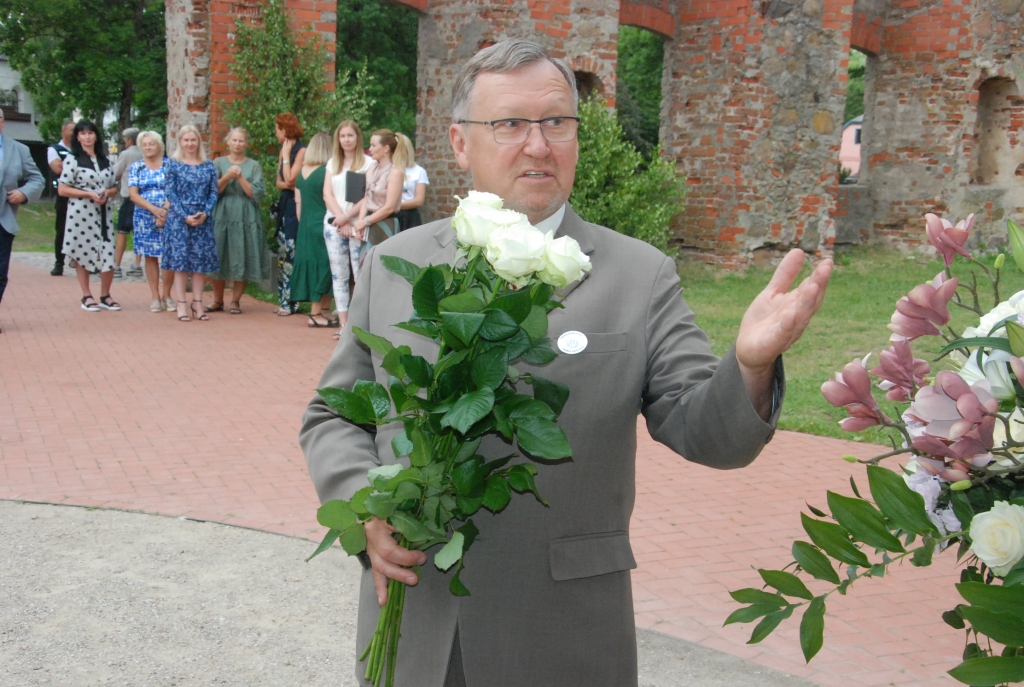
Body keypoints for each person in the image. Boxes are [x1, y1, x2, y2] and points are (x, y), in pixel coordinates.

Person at [300, 40, 832, 687]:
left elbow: (707, 430)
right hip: (418, 628)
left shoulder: (639, 277)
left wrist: (749, 364)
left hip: (564, 638)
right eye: (510, 124)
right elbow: (332, 415)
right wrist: (364, 508)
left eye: (557, 122)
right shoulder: (394, 266)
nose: (538, 144)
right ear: (460, 143)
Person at [57, 120, 122, 313]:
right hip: (81, 212)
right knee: (82, 251)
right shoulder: (73, 159)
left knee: (107, 251)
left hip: (103, 212)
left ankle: (105, 294)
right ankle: (86, 295)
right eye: (83, 134)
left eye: (90, 133)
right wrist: (88, 194)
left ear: (96, 135)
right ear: (77, 137)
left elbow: (113, 187)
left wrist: (107, 193)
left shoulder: (105, 160)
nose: (87, 137)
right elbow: (63, 188)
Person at [208, 127, 267, 315]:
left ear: (246, 143)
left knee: (243, 253)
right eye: (234, 140)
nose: (238, 144)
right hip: (222, 214)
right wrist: (227, 176)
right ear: (228, 142)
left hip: (245, 214)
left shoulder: (253, 165)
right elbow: (212, 190)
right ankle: (217, 300)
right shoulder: (218, 163)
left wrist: (240, 177)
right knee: (219, 253)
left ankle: (235, 300)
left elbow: (254, 193)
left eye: (241, 141)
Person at [163, 124, 219, 322]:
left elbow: (214, 192)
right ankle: (181, 303)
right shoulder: (173, 164)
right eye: (186, 140)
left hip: (202, 219)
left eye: (193, 140)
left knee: (199, 264)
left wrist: (205, 213)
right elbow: (170, 192)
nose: (190, 144)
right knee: (180, 263)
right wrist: (184, 215)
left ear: (198, 142)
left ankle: (197, 302)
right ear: (180, 142)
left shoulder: (208, 165)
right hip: (179, 220)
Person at [323, 120, 373, 335]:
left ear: (357, 137)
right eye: (342, 136)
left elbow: (368, 195)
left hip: (356, 224)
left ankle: (358, 323)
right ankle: (343, 324)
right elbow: (327, 193)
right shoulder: (332, 163)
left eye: (350, 136)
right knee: (339, 274)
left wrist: (347, 218)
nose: (346, 140)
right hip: (334, 224)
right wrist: (339, 218)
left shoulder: (368, 163)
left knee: (358, 272)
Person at [0, 109, 45, 332]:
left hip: (3, 219)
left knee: (0, 272)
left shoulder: (18, 149)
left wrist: (24, 193)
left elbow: (37, 178)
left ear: (2, 123)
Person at [290, 131, 336, 328]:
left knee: (316, 265)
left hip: (306, 225)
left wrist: (305, 224)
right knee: (327, 266)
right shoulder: (327, 171)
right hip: (323, 222)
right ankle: (316, 312)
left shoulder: (302, 171)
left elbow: (298, 202)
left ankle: (323, 310)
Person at [128, 131, 172, 313]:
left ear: (159, 145)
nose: (147, 147)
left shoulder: (170, 165)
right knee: (150, 256)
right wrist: (154, 210)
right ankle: (155, 296)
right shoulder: (136, 167)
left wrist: (164, 211)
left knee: (169, 255)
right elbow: (133, 194)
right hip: (144, 216)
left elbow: (177, 190)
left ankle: (167, 295)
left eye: (151, 144)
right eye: (144, 144)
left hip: (169, 214)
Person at [273, 113, 306, 317]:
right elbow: (279, 182)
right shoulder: (283, 151)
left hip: (296, 205)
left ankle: (291, 301)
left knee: (291, 251)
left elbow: (291, 178)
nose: (276, 134)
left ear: (285, 130)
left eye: (277, 129)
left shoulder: (301, 151)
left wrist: (286, 159)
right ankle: (283, 299)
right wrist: (287, 180)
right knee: (282, 250)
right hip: (285, 204)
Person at [352, 129, 403, 249]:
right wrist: (361, 222)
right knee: (366, 262)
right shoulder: (371, 169)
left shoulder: (395, 173)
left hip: (386, 223)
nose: (370, 149)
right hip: (370, 223)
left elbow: (389, 207)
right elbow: (367, 197)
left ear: (385, 148)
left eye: (374, 145)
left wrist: (365, 221)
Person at [112, 127, 144, 279]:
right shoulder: (144, 153)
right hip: (143, 199)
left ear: (130, 140)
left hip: (128, 196)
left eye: (125, 140)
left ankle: (116, 265)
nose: (124, 143)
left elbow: (115, 173)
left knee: (122, 232)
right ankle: (137, 264)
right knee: (139, 232)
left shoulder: (126, 154)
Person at [47, 121, 74, 276]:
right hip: (63, 194)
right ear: (64, 131)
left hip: (81, 194)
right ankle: (59, 262)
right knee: (62, 228)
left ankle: (79, 259)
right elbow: (58, 168)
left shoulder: (81, 150)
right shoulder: (54, 149)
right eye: (72, 130)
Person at [392, 132, 429, 231]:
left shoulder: (419, 171)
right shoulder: (390, 169)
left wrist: (393, 206)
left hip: (409, 217)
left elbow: (419, 200)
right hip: (390, 216)